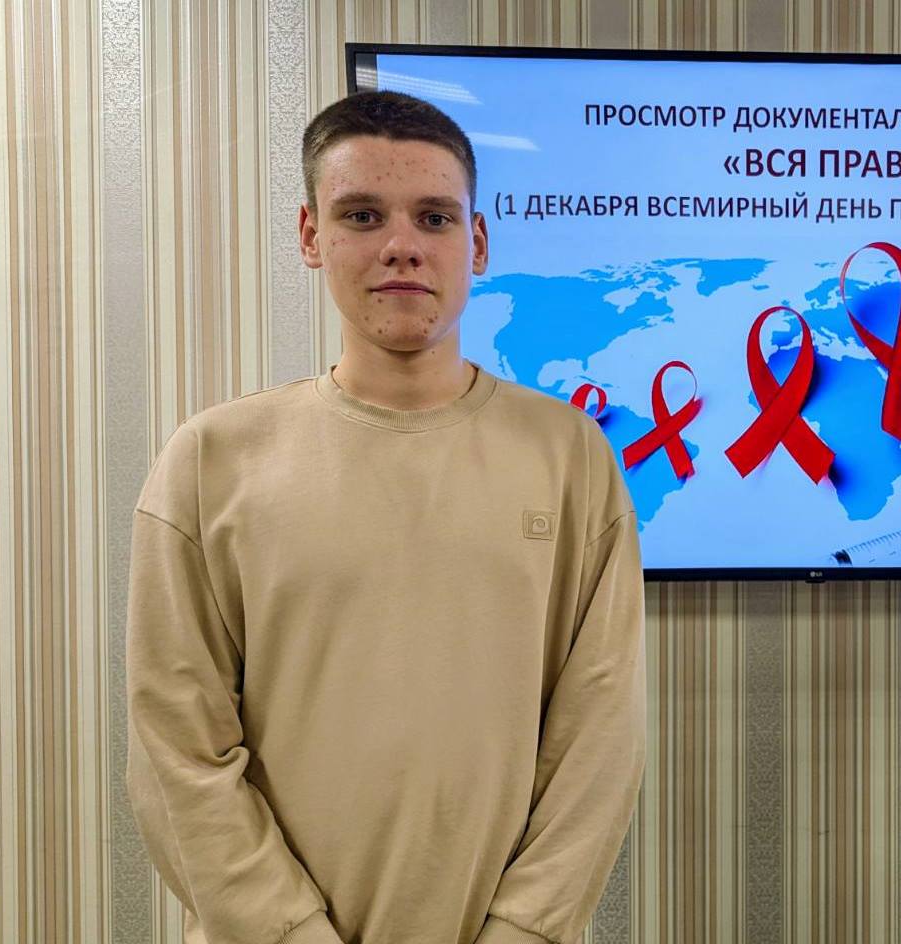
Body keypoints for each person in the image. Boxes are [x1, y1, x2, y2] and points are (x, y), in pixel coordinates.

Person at [125, 91, 646, 944]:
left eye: (434, 217)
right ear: (310, 235)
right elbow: (178, 750)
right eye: (362, 215)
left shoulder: (571, 459)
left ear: (477, 243)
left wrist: (523, 930)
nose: (402, 245)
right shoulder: (212, 462)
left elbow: (599, 738)